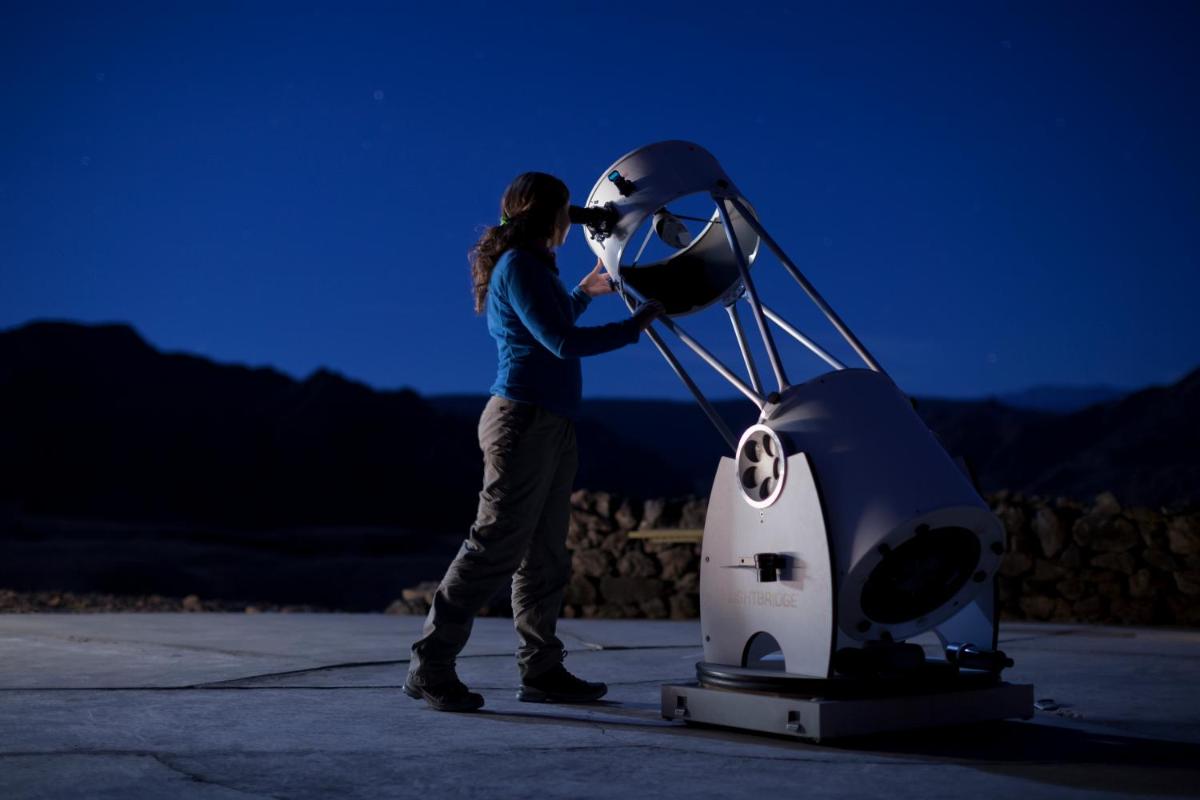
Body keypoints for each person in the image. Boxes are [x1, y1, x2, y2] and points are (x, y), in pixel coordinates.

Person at [404, 172, 664, 712]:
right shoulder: (519, 265)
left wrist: (583, 294)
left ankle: (542, 669)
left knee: (545, 556)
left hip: (551, 422)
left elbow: (548, 321)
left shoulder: (533, 266)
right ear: (547, 214)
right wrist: (635, 325)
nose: (572, 221)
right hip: (522, 420)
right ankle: (430, 665)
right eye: (566, 211)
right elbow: (559, 341)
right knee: (494, 546)